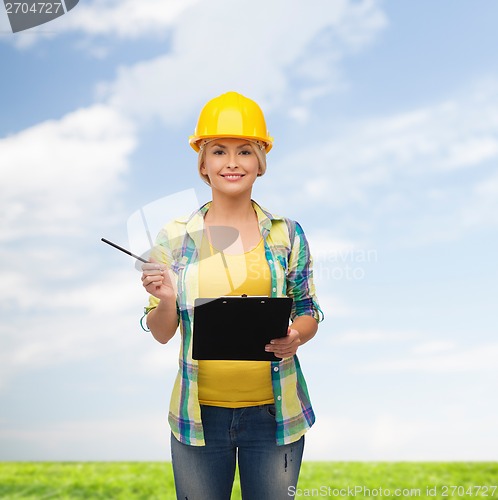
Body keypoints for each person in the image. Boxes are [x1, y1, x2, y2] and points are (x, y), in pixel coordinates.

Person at [140, 91, 324, 500]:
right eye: (218, 151)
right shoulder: (173, 236)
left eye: (245, 150)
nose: (232, 162)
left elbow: (308, 309)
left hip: (274, 416)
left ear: (261, 161)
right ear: (202, 162)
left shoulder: (287, 234)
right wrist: (167, 299)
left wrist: (297, 336)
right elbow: (161, 332)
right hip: (199, 416)